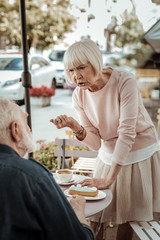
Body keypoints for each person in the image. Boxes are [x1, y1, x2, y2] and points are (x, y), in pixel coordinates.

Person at [50, 39, 160, 240]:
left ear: (95, 62)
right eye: (71, 70)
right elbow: (96, 143)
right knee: (94, 215)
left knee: (127, 218)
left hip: (139, 152)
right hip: (108, 153)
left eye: (81, 68)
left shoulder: (124, 81)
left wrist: (109, 178)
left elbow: (127, 132)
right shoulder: (79, 95)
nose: (76, 76)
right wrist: (75, 126)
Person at [0, 97, 94, 240]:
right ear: (15, 130)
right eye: (25, 121)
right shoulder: (31, 176)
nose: (30, 129)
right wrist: (79, 214)